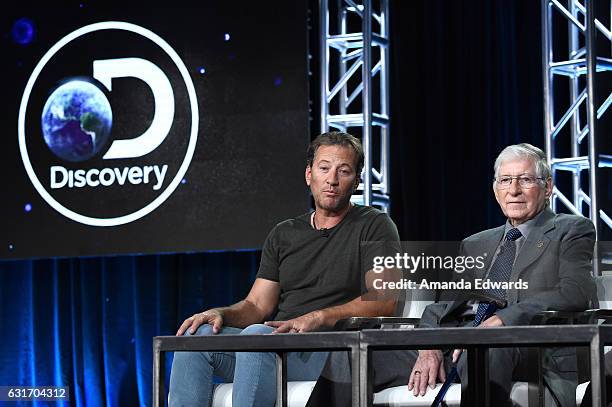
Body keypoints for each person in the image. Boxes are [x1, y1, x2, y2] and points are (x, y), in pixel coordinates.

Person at [307, 143, 596, 407]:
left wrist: (505, 320)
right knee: (354, 353)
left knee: (486, 348)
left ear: (547, 187)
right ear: (496, 190)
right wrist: (428, 344)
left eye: (526, 180)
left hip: (530, 349)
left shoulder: (571, 229)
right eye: (505, 180)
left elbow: (575, 291)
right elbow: (443, 306)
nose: (514, 190)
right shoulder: (476, 243)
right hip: (460, 344)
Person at [168, 131, 400, 406]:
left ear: (357, 180)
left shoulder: (374, 224)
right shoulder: (284, 233)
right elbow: (257, 305)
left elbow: (384, 301)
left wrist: (318, 317)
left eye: (344, 171)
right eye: (324, 168)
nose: (332, 180)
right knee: (196, 340)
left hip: (331, 351)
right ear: (308, 175)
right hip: (277, 344)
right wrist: (219, 313)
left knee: (257, 337)